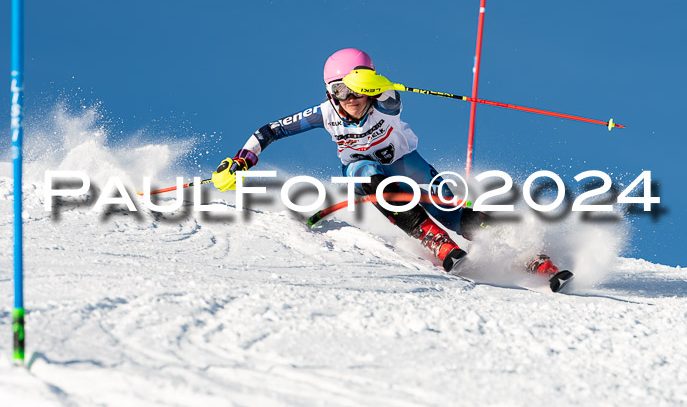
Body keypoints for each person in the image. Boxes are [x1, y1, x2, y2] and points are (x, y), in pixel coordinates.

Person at [212, 48, 569, 286]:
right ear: (328, 92)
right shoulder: (324, 114)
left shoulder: (383, 102)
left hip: (408, 163)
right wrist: (244, 158)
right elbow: (270, 130)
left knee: (453, 213)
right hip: (364, 169)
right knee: (366, 175)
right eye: (339, 91)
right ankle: (436, 242)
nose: (350, 100)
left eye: (355, 90)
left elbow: (391, 101)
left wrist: (376, 86)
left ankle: (524, 249)